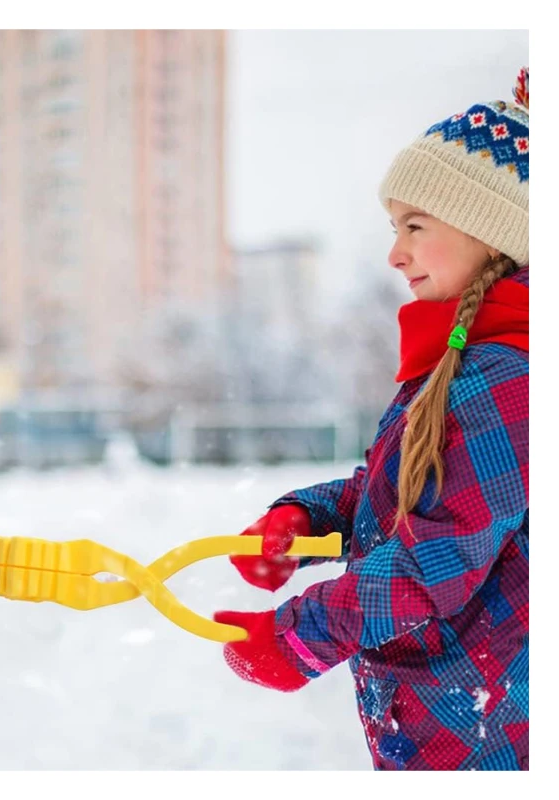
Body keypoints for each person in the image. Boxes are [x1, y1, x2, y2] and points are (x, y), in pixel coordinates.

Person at [215, 68, 529, 771]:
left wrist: (303, 637)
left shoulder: (514, 377)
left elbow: (438, 554)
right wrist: (305, 522)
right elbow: (402, 496)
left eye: (415, 226)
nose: (395, 253)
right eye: (395, 229)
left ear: (492, 233)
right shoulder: (465, 362)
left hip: (493, 735)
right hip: (443, 719)